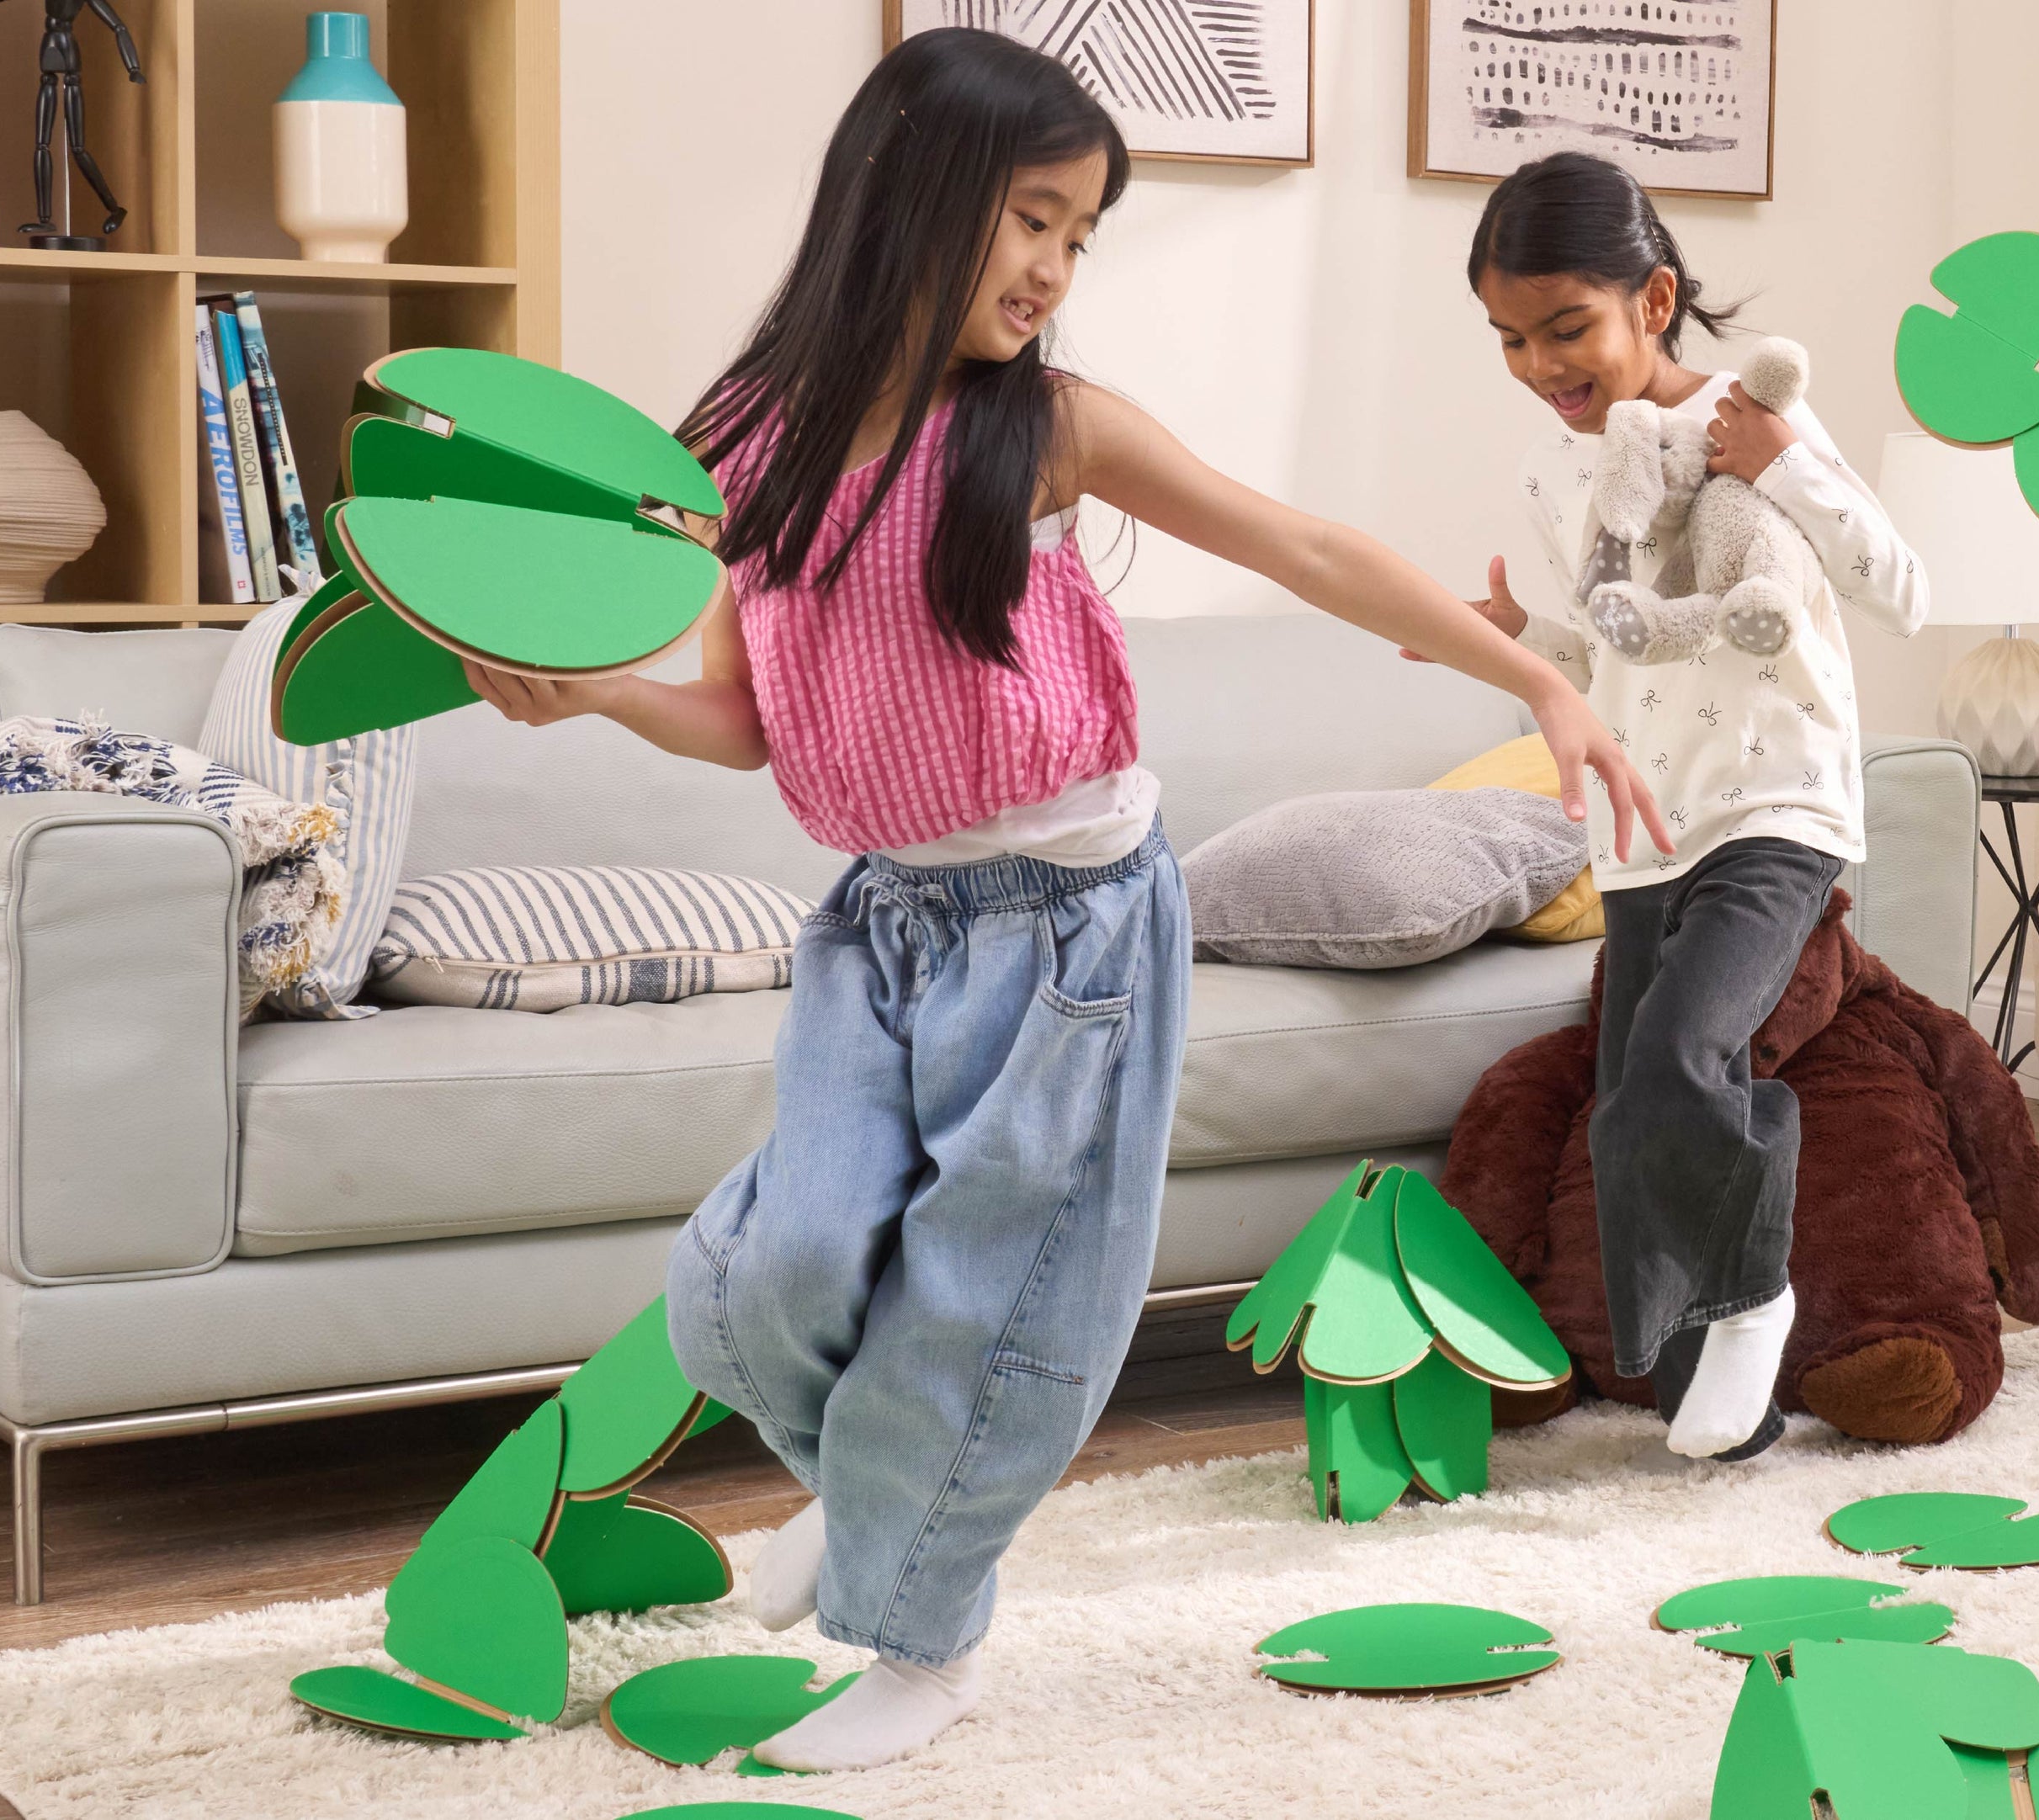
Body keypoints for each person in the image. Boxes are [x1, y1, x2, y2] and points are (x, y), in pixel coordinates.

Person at [463, 31, 1668, 1771]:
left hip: (1074, 932)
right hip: (882, 927)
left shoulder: (1045, 430)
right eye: (1031, 219)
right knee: (768, 1274)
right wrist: (602, 696)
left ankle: (921, 1636)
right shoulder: (745, 437)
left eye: (1080, 236)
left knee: (983, 1301)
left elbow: (1308, 548)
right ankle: (884, 1509)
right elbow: (746, 718)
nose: (1051, 270)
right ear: (907, 194)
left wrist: (1541, 684)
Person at [1449, 151, 1931, 1462]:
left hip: (1777, 802)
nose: (1542, 363)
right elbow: (1624, 644)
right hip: (1643, 824)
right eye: (1509, 337)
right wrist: (1510, 640)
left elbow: (1904, 589)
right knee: (1627, 1116)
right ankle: (1728, 1394)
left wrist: (1784, 469)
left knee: (1680, 1057)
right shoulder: (1563, 475)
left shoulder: (1751, 417)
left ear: (1652, 302)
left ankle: (1755, 1295)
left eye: (1566, 328)